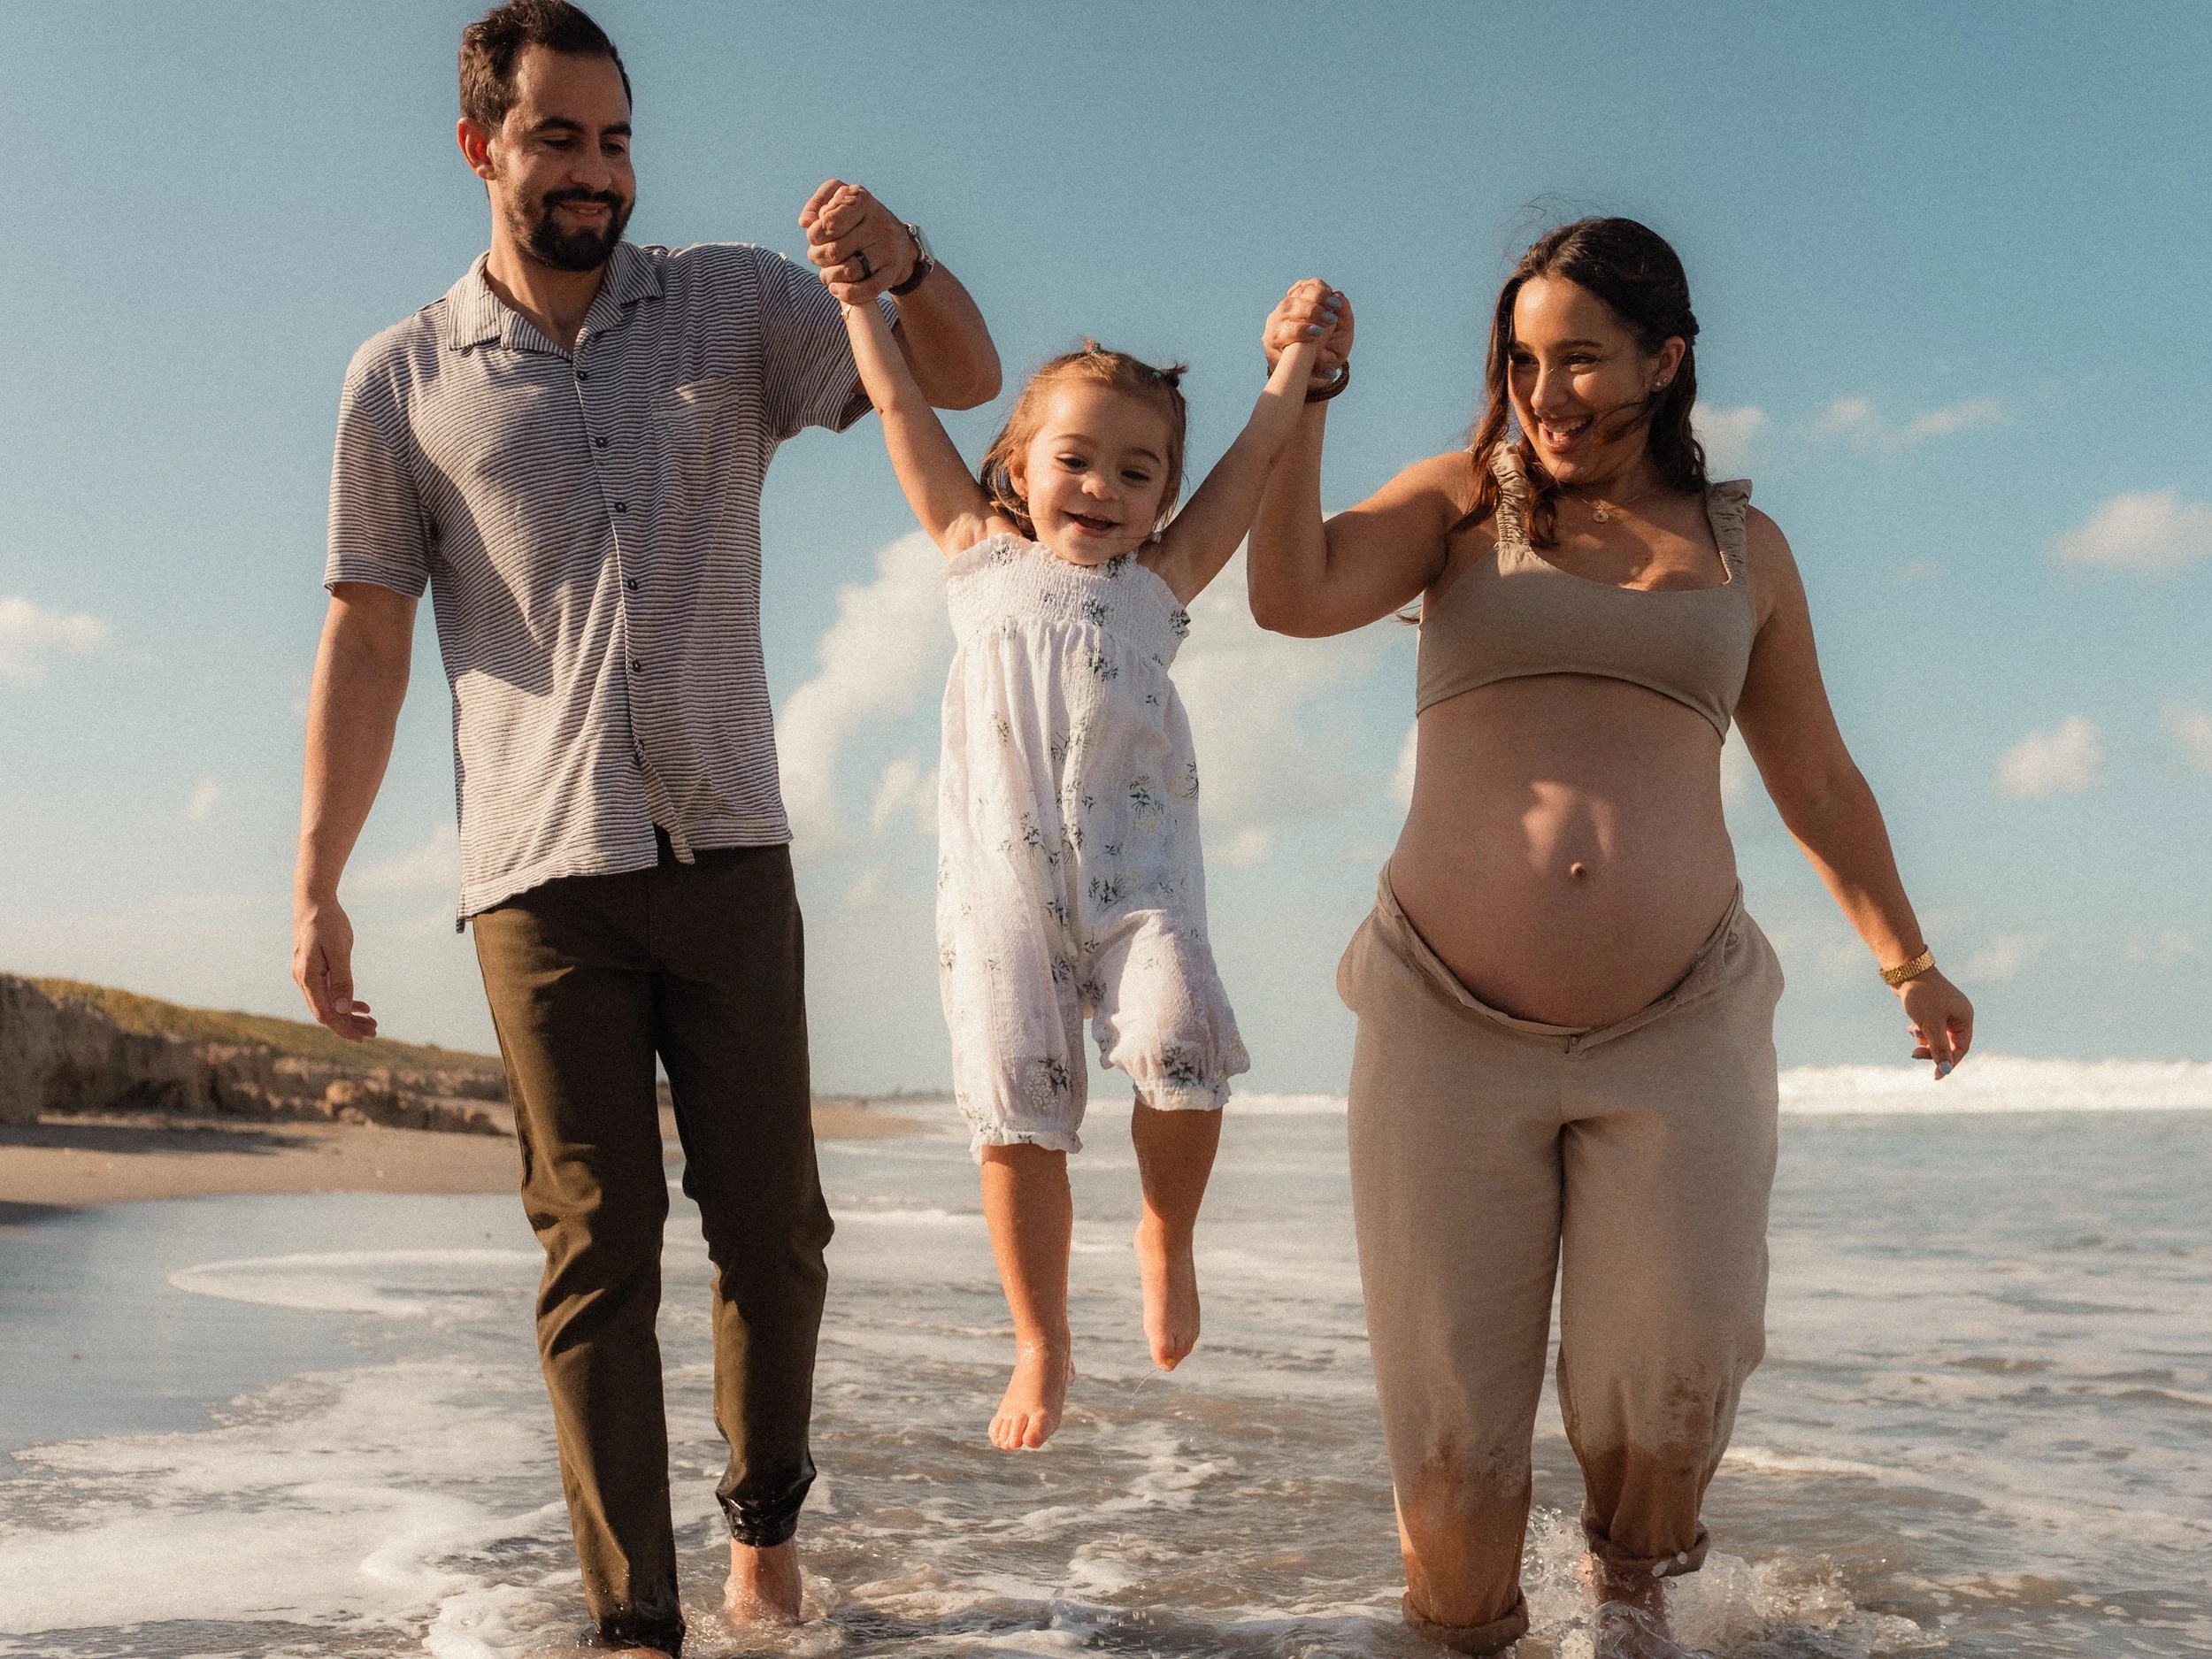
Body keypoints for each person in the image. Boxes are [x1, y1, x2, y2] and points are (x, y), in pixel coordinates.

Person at [287, 4, 999, 1653]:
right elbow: (369, 636)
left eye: (615, 139)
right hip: (540, 872)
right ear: (481, 147)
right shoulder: (400, 380)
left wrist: (900, 258)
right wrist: (318, 877)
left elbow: (958, 376)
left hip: (728, 840)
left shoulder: (742, 301)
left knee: (776, 1225)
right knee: (596, 1242)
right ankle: (636, 1621)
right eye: (558, 139)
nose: (596, 171)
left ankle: (763, 1534)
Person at [1247, 220, 1974, 1656]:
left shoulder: (1745, 550)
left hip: (1681, 1020)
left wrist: (1909, 956)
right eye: (1522, 361)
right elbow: (1294, 592)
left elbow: (1815, 776)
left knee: (1670, 1372)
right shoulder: (1464, 502)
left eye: (1580, 357)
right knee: (1453, 1441)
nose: (1546, 392)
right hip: (1443, 1024)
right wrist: (1303, 398)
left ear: (1667, 358)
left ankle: (1629, 1615)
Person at [834, 232, 1338, 1449]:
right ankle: (1041, 1338)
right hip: (1004, 894)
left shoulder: (1159, 590)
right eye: (1076, 460)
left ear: (1162, 496)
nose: (1103, 488)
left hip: (1142, 893)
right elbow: (901, 406)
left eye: (1137, 471)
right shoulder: (975, 558)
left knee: (1181, 1046)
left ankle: (1166, 1228)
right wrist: (859, 302)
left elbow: (1255, 462)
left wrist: (1294, 369)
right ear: (1016, 464)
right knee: (1015, 1113)